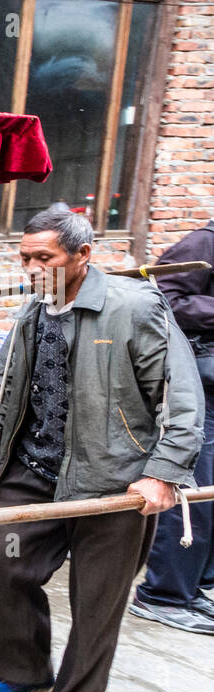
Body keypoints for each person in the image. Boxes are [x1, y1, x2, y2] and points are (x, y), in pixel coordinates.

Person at [0, 205, 203, 692]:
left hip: (113, 476)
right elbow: (2, 388)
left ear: (82, 255)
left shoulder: (135, 307)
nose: (31, 268)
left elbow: (181, 396)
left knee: (98, 596)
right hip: (33, 469)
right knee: (6, 562)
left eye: (43, 257)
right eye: (24, 257)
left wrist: (163, 472)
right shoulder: (33, 311)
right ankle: (23, 672)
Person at [128, 220, 214, 634]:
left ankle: (191, 588)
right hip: (202, 386)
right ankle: (161, 595)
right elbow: (162, 298)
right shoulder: (203, 243)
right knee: (194, 491)